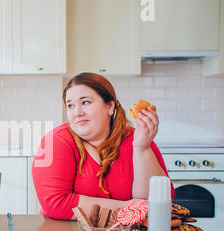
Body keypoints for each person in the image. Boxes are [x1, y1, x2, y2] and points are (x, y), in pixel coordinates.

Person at [32, 72, 174, 220]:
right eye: (70, 105)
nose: (77, 113)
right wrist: (126, 208)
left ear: (110, 106)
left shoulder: (138, 138)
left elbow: (158, 201)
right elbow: (56, 203)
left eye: (85, 102)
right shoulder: (55, 141)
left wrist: (142, 148)